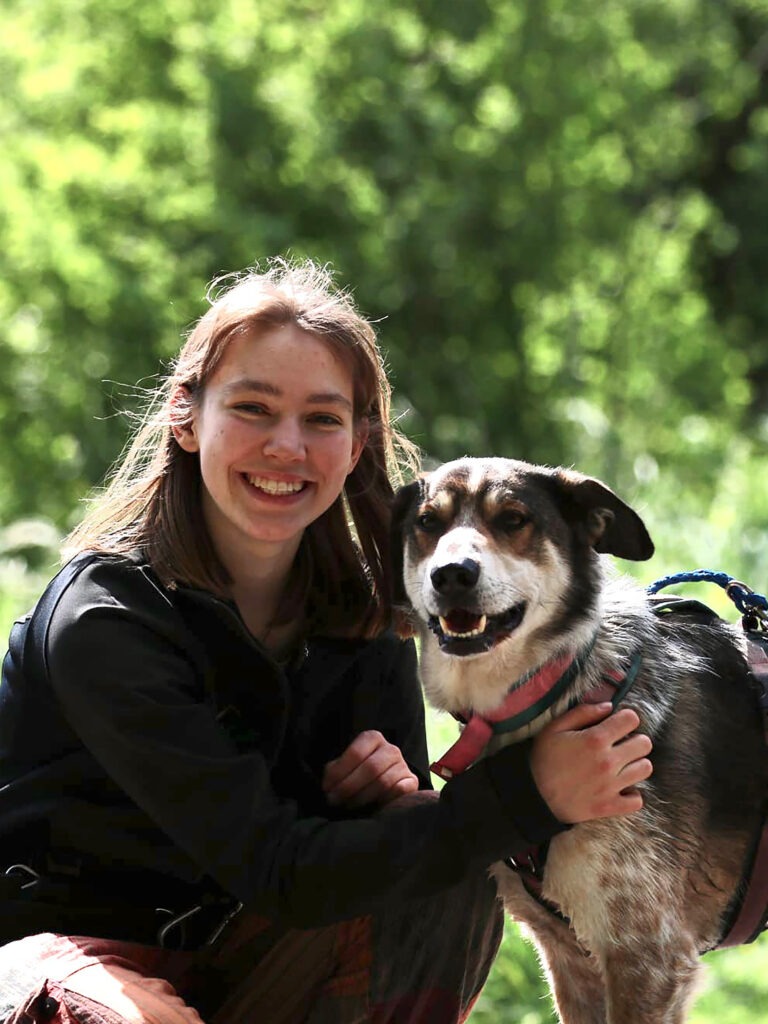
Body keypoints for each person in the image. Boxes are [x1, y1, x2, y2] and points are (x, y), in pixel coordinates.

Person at [0, 258, 653, 1024]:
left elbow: (412, 843)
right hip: (62, 954)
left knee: (446, 872)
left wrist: (392, 800)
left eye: (321, 418)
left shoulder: (365, 614)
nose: (288, 447)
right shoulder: (106, 619)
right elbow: (277, 865)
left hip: (240, 941)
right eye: (252, 408)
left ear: (357, 442)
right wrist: (532, 792)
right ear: (185, 415)